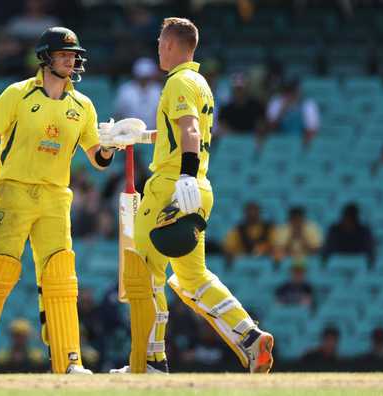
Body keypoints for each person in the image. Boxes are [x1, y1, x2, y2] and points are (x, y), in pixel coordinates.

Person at [102, 18, 274, 374]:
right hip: (199, 187)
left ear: (175, 45)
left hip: (171, 186)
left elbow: (190, 130)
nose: (158, 49)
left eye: (161, 43)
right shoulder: (200, 83)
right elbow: (178, 134)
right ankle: (250, 336)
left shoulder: (178, 82)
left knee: (145, 272)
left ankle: (152, 360)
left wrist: (184, 176)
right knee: (193, 278)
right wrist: (138, 137)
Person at [0, 27, 116, 375]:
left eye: (74, 56)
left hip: (56, 197)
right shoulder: (18, 94)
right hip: (13, 191)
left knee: (60, 276)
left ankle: (70, 362)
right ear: (45, 58)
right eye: (63, 55)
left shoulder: (82, 105)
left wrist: (111, 145)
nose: (71, 61)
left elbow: (97, 159)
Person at [265, 78, 319, 144]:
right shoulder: (276, 101)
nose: (290, 94)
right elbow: (270, 129)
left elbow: (312, 130)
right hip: (279, 140)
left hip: (300, 141)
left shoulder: (308, 104)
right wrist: (282, 111)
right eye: (288, 91)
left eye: (293, 91)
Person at [321, 203, 375, 268]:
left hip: (359, 262)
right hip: (337, 262)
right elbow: (327, 249)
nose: (348, 222)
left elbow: (370, 250)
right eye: (346, 218)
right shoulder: (334, 230)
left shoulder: (364, 231)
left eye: (350, 219)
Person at [114, 57, 162, 129]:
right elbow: (118, 115)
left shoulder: (158, 90)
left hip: (153, 133)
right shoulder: (125, 90)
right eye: (141, 78)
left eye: (147, 78)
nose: (144, 81)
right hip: (130, 133)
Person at [222, 202, 274, 266]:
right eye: (250, 212)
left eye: (255, 212)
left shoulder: (269, 228)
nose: (252, 214)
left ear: (259, 213)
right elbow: (228, 247)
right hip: (243, 261)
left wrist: (265, 248)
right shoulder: (238, 229)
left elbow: (275, 245)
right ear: (245, 213)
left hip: (264, 260)